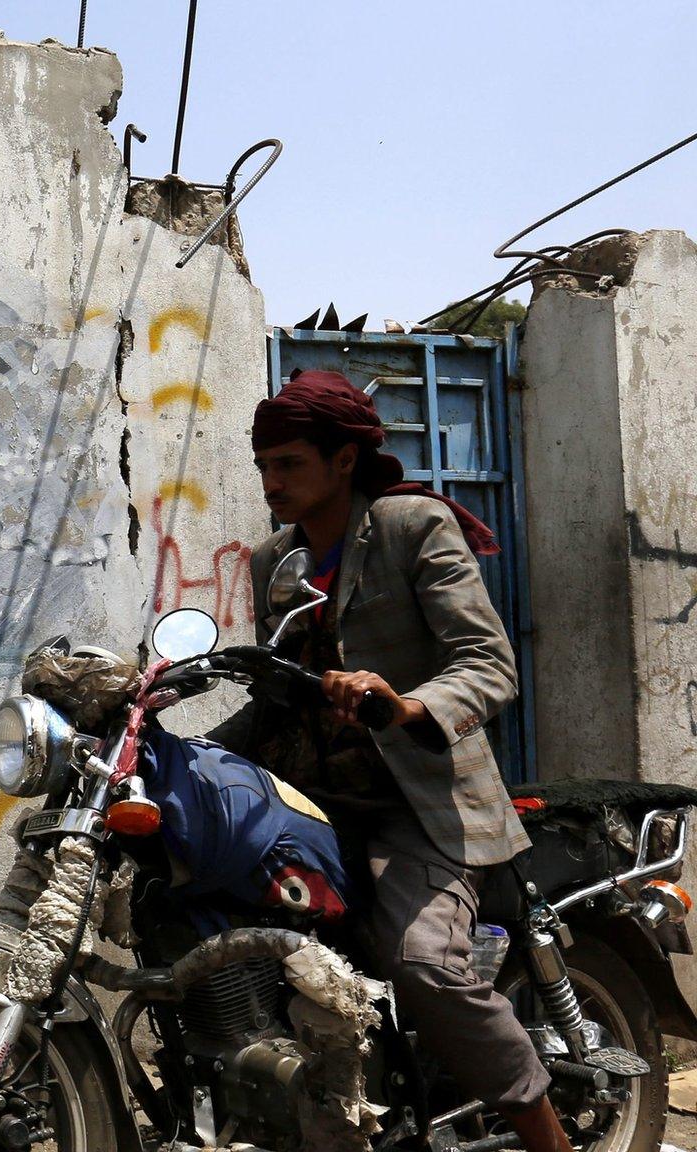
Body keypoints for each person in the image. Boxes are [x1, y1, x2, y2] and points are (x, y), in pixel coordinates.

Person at [203, 369, 567, 1152]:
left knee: (423, 966)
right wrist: (170, 747)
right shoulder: (276, 559)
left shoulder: (410, 526)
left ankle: (547, 1137)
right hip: (312, 807)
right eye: (262, 466)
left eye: (288, 464)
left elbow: (487, 660)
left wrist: (405, 704)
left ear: (343, 460)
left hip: (418, 807)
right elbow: (280, 700)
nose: (271, 482)